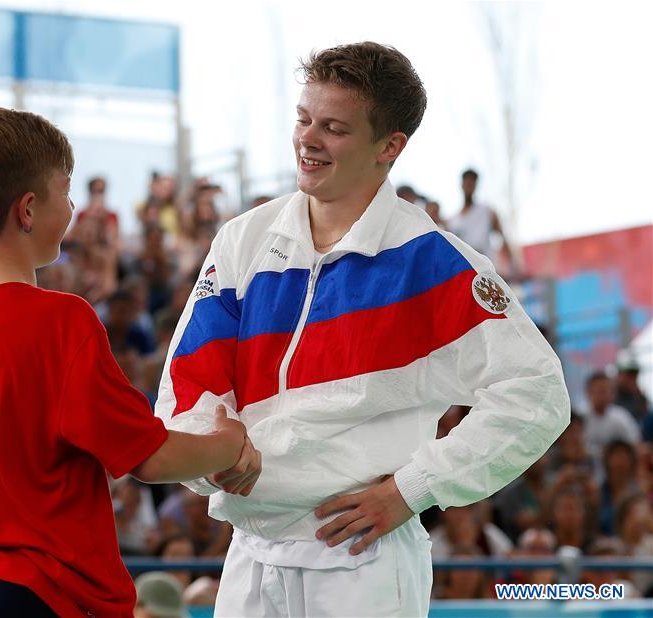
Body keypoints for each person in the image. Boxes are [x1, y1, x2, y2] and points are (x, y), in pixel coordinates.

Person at [154, 42, 570, 617]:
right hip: (249, 554)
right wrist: (208, 453)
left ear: (389, 146)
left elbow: (538, 395)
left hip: (360, 560)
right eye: (303, 119)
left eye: (334, 128)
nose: (308, 139)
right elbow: (187, 380)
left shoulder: (433, 262)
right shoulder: (243, 239)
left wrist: (414, 488)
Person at [0, 106, 259, 618]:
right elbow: (148, 456)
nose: (72, 209)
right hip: (39, 594)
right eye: (66, 193)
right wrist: (229, 446)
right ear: (27, 210)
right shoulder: (60, 321)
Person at [447, 169, 515, 271]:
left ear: (475, 186)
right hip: (464, 271)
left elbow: (502, 237)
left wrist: (513, 266)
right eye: (467, 182)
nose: (469, 186)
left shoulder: (486, 211)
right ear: (462, 185)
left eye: (472, 183)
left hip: (486, 271)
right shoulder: (453, 220)